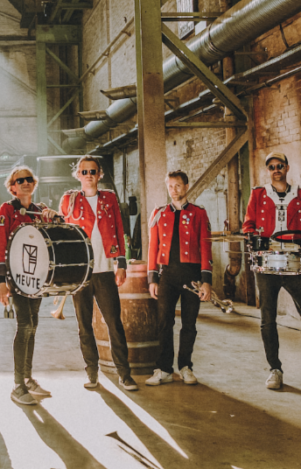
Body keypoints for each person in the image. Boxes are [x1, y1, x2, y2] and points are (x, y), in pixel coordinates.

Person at [242, 152, 301, 392]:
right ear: (268, 170)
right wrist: (254, 237)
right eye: (271, 166)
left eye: (279, 166)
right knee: (267, 319)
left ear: (287, 168)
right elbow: (248, 224)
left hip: (297, 263)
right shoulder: (258, 194)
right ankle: (275, 370)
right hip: (267, 264)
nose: (275, 170)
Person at [59, 155, 137, 391]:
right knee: (84, 325)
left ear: (100, 174)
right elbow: (62, 232)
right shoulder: (69, 200)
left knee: (114, 322)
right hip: (80, 273)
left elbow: (119, 228)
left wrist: (121, 263)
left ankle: (125, 373)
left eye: (93, 171)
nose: (89, 176)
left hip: (104, 271)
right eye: (84, 172)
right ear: (77, 175)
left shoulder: (109, 198)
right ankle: (92, 371)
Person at [0, 165, 57, 406]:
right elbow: (0, 247)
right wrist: (2, 282)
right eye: (20, 180)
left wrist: (53, 218)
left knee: (33, 325)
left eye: (29, 179)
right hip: (16, 278)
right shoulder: (7, 210)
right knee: (24, 325)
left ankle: (28, 377)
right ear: (12, 186)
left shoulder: (41, 210)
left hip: (37, 278)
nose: (25, 183)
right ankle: (18, 384)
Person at [145, 171, 212, 386]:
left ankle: (185, 367)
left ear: (187, 186)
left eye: (178, 185)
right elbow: (152, 247)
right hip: (166, 276)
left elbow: (205, 247)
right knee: (164, 323)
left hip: (192, 277)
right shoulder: (159, 213)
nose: (174, 190)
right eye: (171, 186)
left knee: (189, 324)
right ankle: (164, 369)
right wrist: (152, 278)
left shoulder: (199, 213)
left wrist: (206, 280)